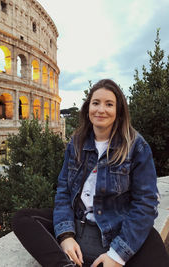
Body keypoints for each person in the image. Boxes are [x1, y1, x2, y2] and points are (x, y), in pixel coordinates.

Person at [12, 79, 169, 267]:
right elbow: (63, 191)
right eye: (96, 103)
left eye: (109, 104)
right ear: (88, 108)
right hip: (80, 225)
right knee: (22, 219)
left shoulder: (136, 146)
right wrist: (65, 235)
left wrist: (117, 255)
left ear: (119, 111)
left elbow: (146, 203)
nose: (101, 110)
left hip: (117, 229)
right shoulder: (76, 142)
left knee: (154, 244)